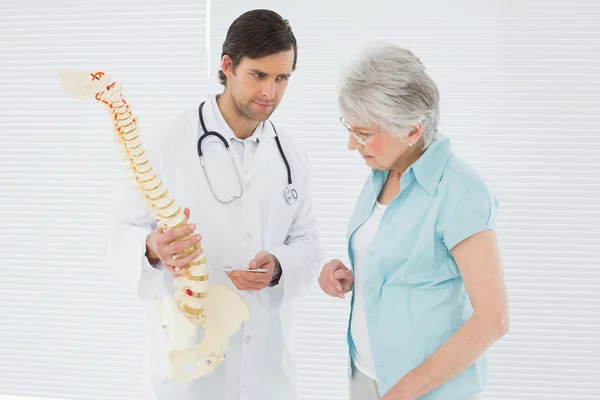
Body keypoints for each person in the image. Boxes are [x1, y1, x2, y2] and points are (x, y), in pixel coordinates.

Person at [101, 9, 323, 400]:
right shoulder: (166, 141)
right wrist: (152, 248)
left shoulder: (292, 155)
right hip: (187, 368)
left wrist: (277, 268)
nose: (270, 93)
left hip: (267, 369)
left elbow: (307, 242)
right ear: (227, 66)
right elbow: (119, 233)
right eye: (259, 75)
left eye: (281, 78)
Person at [318, 42, 510, 400]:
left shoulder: (462, 193)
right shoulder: (383, 171)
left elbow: (493, 320)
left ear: (411, 130)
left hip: (425, 392)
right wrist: (355, 276)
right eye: (350, 128)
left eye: (362, 133)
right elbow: (413, 269)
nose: (350, 144)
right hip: (366, 377)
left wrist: (402, 393)